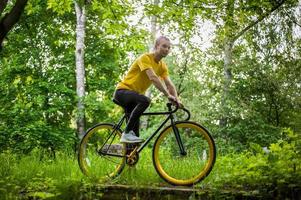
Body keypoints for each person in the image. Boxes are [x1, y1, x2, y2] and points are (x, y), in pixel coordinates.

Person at [113, 36, 181, 143]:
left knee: (135, 137)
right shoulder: (145, 58)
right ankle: (126, 133)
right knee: (145, 100)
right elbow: (153, 77)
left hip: (134, 99)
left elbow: (169, 84)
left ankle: (129, 157)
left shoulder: (162, 66)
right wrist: (167, 95)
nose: (167, 49)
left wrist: (177, 99)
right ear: (156, 46)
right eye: (164, 46)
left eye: (169, 47)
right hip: (122, 92)